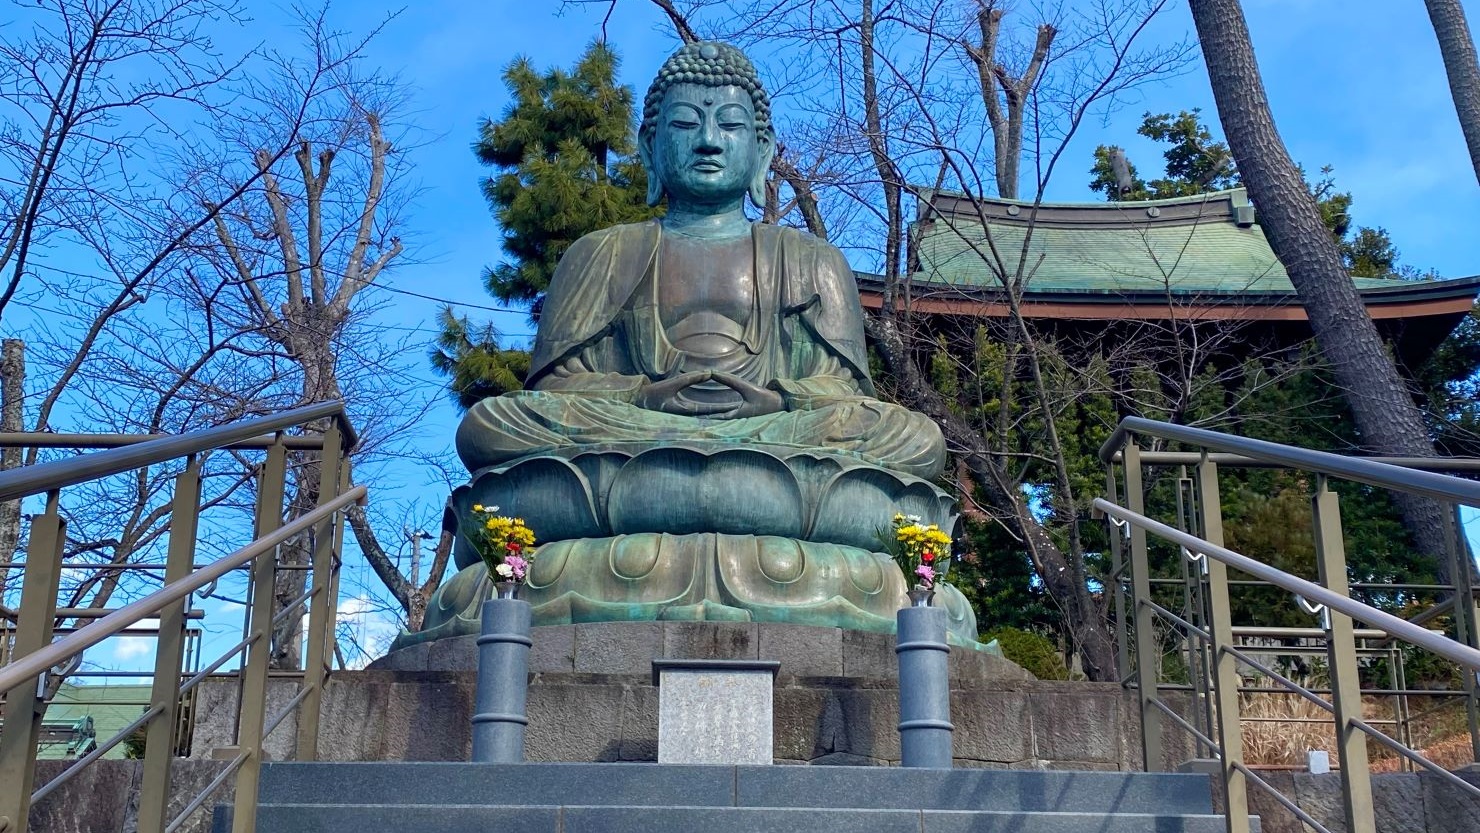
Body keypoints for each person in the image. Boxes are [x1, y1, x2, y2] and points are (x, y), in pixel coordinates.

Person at [454, 40, 945, 481]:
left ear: (762, 152)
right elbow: (554, 391)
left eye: (729, 125)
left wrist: (776, 401)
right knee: (493, 426)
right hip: (638, 433)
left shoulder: (810, 259)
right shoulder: (601, 253)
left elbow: (844, 395)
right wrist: (642, 397)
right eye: (686, 123)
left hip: (775, 430)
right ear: (650, 148)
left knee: (911, 436)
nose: (708, 140)